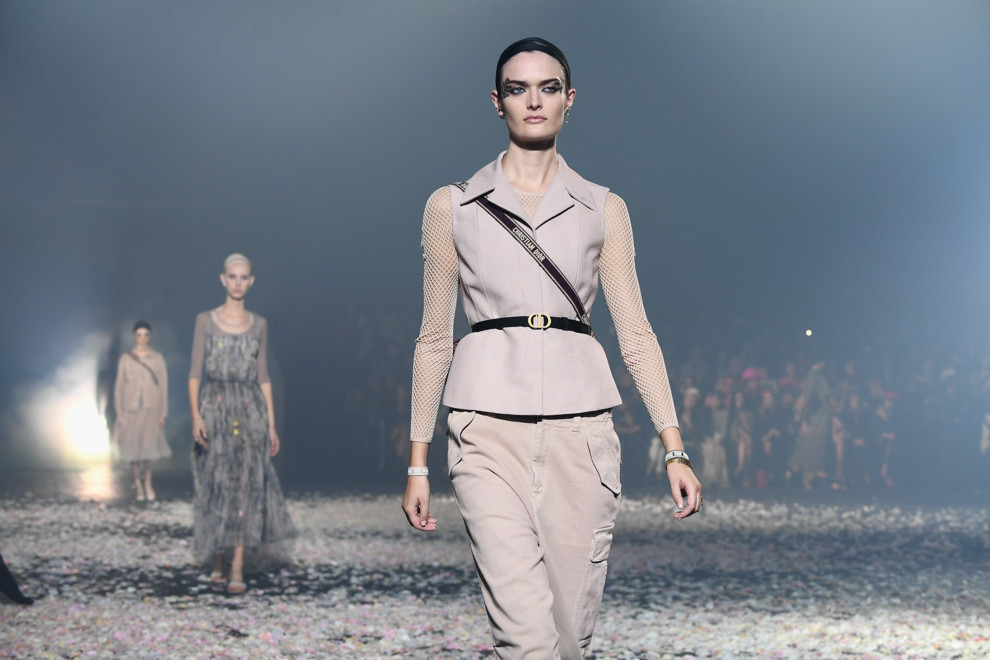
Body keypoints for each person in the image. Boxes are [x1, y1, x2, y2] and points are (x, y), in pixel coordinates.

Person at [401, 37, 702, 658]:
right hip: (485, 431)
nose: (533, 101)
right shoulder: (452, 206)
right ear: (497, 102)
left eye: (548, 87)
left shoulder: (603, 208)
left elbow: (636, 332)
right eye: (518, 89)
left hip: (580, 433)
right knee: (525, 636)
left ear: (570, 99)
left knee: (568, 639)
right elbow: (434, 337)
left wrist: (674, 447)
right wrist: (417, 463)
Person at [189, 253, 295, 594]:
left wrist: (272, 425)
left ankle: (236, 564)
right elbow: (194, 373)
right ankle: (218, 558)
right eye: (232, 276)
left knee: (245, 487)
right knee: (216, 484)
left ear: (251, 281)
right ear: (223, 279)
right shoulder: (205, 320)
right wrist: (195, 415)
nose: (237, 282)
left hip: (250, 411)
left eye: (243, 277)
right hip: (215, 408)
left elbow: (263, 376)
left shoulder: (259, 324)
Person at [112, 321, 170, 502]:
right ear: (135, 336)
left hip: (151, 408)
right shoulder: (126, 359)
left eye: (145, 334)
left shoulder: (157, 358)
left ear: (149, 336)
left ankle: (148, 483)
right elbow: (119, 387)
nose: (142, 338)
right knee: (133, 448)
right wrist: (120, 412)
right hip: (131, 408)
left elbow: (163, 387)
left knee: (148, 447)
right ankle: (138, 483)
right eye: (139, 334)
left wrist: (163, 413)